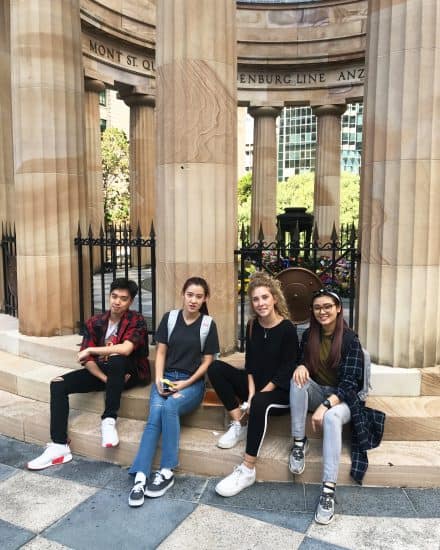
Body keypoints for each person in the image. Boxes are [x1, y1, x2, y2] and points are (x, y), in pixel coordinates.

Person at [27, 278, 150, 470]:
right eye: (114, 296)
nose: (117, 302)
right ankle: (59, 446)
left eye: (123, 299)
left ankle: (108, 421)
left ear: (130, 302)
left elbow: (126, 349)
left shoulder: (137, 320)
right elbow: (86, 360)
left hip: (129, 371)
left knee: (117, 358)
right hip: (105, 373)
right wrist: (105, 380)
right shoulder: (96, 321)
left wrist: (93, 350)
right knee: (57, 383)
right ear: (110, 296)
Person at [289, 288, 385, 525]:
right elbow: (304, 362)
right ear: (313, 311)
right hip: (319, 390)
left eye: (327, 307)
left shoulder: (350, 340)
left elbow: (351, 384)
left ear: (338, 308)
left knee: (331, 418)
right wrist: (301, 366)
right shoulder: (308, 335)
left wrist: (324, 405)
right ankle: (299, 443)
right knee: (297, 380)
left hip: (344, 398)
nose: (322, 312)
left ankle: (328, 490)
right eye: (318, 307)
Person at [128, 276, 219, 507]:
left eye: (199, 296)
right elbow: (160, 353)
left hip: (191, 385)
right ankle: (140, 477)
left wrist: (185, 384)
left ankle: (167, 471)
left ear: (205, 298)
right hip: (165, 379)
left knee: (169, 406)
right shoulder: (170, 319)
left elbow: (207, 362)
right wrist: (159, 379)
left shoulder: (208, 324)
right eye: (190, 295)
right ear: (183, 294)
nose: (193, 300)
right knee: (154, 416)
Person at [209, 272, 298, 497]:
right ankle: (239, 422)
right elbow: (249, 364)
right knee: (215, 368)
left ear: (275, 298)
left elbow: (286, 370)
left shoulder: (288, 328)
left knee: (260, 401)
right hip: (255, 391)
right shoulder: (252, 326)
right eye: (256, 299)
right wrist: (250, 394)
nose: (260, 303)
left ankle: (248, 469)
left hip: (278, 393)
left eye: (265, 297)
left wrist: (257, 395)